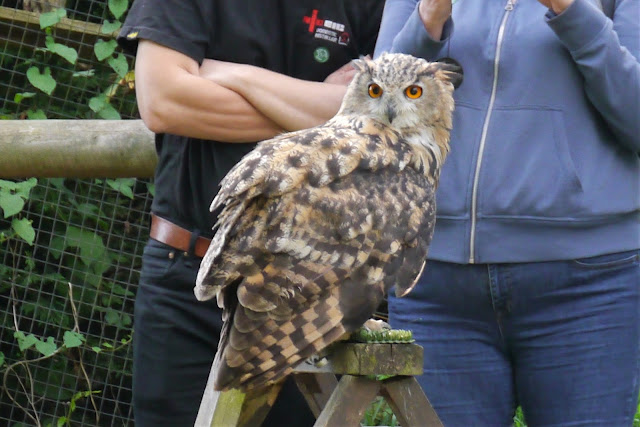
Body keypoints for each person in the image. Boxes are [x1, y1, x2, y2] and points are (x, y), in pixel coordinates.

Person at [115, 1, 385, 425]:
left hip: (304, 289)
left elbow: (380, 121)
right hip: (188, 277)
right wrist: (321, 116)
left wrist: (230, 75)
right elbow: (163, 101)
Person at [374, 0, 640, 425]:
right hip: (434, 283)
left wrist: (571, 12)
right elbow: (375, 121)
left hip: (587, 285)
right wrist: (428, 21)